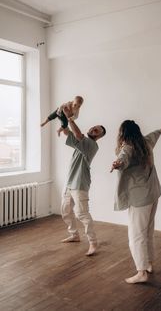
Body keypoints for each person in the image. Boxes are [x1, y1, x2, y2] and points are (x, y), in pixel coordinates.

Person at [111, 120, 161, 284]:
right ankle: (148, 263)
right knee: (148, 231)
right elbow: (153, 136)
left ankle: (141, 272)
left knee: (136, 236)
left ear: (123, 133)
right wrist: (160, 130)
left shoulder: (128, 147)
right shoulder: (146, 143)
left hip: (140, 198)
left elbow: (123, 158)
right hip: (153, 194)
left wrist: (118, 163)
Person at [61, 105, 106, 256]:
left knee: (82, 214)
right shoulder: (82, 142)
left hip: (80, 183)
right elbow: (70, 134)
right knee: (65, 210)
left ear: (99, 136)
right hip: (70, 182)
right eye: (94, 127)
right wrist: (63, 123)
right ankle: (74, 235)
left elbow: (77, 134)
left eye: (96, 130)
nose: (93, 129)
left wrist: (69, 117)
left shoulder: (91, 145)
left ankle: (93, 242)